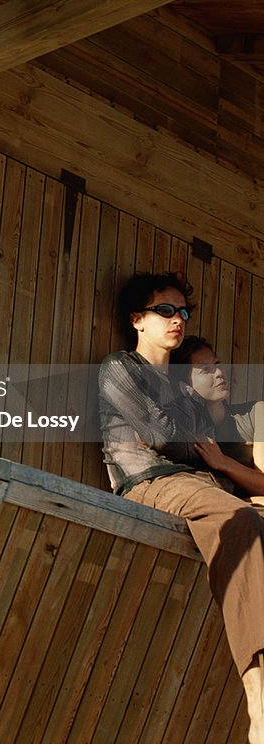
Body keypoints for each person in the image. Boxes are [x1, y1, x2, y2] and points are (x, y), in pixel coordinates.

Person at [99, 272, 264, 744]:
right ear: (139, 320)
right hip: (147, 481)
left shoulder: (185, 389)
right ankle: (259, 701)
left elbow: (203, 446)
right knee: (240, 519)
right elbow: (162, 437)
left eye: (182, 312)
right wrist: (197, 446)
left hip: (197, 483)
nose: (177, 319)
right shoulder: (121, 368)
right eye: (165, 311)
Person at [170, 335, 264, 499]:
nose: (219, 373)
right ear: (184, 384)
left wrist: (223, 462)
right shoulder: (180, 428)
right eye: (206, 370)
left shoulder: (256, 413)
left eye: (217, 364)